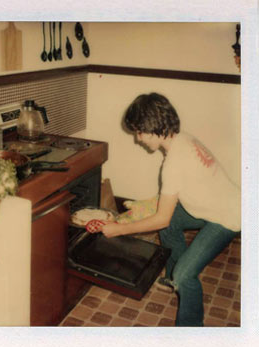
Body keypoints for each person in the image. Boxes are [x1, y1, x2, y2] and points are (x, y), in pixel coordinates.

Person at [100, 93, 241, 327]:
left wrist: (119, 230)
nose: (138, 139)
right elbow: (167, 210)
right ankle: (171, 278)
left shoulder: (173, 163)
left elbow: (161, 219)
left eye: (139, 131)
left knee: (185, 275)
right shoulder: (182, 139)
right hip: (212, 204)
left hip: (227, 216)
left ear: (153, 126)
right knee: (172, 222)